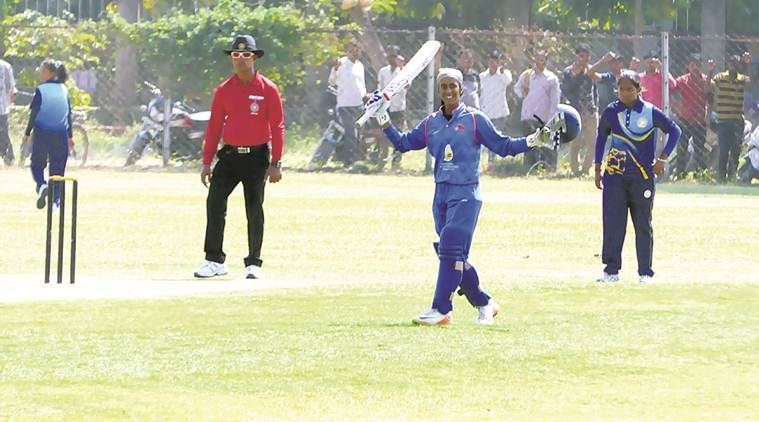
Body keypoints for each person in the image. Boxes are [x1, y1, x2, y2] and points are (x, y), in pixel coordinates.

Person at [369, 68, 552, 325]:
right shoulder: (431, 123)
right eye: (444, 86)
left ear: (461, 89)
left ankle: (441, 309)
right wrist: (382, 117)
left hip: (467, 193)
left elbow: (503, 146)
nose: (449, 91)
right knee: (452, 255)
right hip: (441, 194)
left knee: (451, 248)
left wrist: (534, 140)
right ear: (440, 91)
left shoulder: (475, 119)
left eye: (453, 86)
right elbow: (402, 143)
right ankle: (484, 303)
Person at [194, 35, 284, 280]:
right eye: (235, 55)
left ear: (254, 57)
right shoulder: (224, 90)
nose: (240, 59)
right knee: (214, 202)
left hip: (256, 158)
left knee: (254, 208)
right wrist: (206, 161)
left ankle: (253, 263)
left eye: (245, 55)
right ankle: (214, 260)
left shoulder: (268, 89)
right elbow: (214, 127)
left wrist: (276, 163)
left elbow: (277, 127)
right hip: (230, 156)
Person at [594, 71, 681, 283]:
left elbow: (674, 130)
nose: (624, 93)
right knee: (613, 222)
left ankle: (645, 272)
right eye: (621, 89)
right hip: (615, 177)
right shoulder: (611, 111)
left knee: (643, 223)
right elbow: (601, 138)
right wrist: (598, 168)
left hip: (642, 177)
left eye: (629, 89)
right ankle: (611, 270)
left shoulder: (650, 112)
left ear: (638, 89)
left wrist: (662, 159)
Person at [23, 59, 73, 209]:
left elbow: (34, 114)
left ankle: (42, 185)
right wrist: (70, 136)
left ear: (51, 73)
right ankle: (55, 201)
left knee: (37, 164)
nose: (40, 72)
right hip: (61, 134)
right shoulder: (64, 90)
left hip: (42, 133)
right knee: (58, 169)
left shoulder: (41, 90)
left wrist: (27, 133)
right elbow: (68, 115)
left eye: (43, 70)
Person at [562, 44, 615, 177]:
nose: (583, 59)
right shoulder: (569, 71)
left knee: (593, 143)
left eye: (586, 56)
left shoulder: (591, 69)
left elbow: (597, 76)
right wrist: (603, 60)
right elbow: (567, 88)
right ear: (576, 56)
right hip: (576, 111)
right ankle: (575, 170)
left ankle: (585, 170)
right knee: (575, 142)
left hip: (590, 110)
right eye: (581, 56)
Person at [513, 50, 560, 169]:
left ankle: (548, 169)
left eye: (542, 59)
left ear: (546, 61)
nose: (539, 62)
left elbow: (555, 100)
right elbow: (516, 89)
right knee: (529, 146)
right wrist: (522, 92)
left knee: (546, 147)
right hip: (528, 116)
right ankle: (529, 169)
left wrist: (551, 119)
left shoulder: (552, 78)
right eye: (537, 58)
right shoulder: (527, 75)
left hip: (544, 117)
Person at [671, 54, 713, 178]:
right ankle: (680, 174)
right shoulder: (683, 80)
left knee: (700, 149)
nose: (695, 67)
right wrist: (675, 107)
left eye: (698, 65)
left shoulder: (706, 80)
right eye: (692, 65)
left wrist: (708, 114)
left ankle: (700, 174)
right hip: (685, 119)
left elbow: (710, 98)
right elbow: (671, 89)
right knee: (681, 148)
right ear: (688, 66)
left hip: (700, 120)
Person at [326, 38, 367, 166]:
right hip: (345, 105)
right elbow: (331, 82)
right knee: (351, 133)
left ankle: (357, 158)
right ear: (347, 51)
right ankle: (349, 161)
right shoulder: (341, 63)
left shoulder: (360, 65)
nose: (355, 53)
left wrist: (366, 97)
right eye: (352, 51)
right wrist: (335, 69)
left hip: (359, 104)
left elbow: (362, 85)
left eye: (357, 51)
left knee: (360, 134)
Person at [710, 55, 751, 182]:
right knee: (723, 149)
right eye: (731, 63)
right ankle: (721, 177)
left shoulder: (742, 79)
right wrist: (711, 70)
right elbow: (708, 87)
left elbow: (751, 82)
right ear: (728, 64)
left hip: (738, 120)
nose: (733, 65)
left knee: (736, 150)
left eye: (736, 63)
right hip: (723, 120)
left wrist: (747, 64)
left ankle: (732, 175)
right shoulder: (720, 77)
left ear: (739, 65)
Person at [479, 49, 513, 167]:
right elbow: (481, 94)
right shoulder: (482, 76)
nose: (494, 63)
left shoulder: (505, 74)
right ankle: (489, 161)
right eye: (492, 60)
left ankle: (492, 162)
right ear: (488, 61)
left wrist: (502, 71)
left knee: (496, 136)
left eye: (496, 61)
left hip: (499, 111)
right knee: (486, 137)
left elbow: (508, 81)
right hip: (486, 111)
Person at [377, 45, 407, 169]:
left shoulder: (403, 71)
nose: (391, 58)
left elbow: (407, 86)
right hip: (386, 107)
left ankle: (395, 163)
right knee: (384, 134)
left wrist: (402, 67)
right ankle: (382, 161)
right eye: (389, 56)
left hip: (398, 107)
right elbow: (380, 88)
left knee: (398, 135)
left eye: (394, 56)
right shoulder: (383, 71)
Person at [0, 50, 16, 166]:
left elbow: (11, 88)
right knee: (3, 132)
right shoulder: (6, 66)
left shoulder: (5, 67)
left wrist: (8, 103)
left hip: (2, 106)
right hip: (3, 106)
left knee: (3, 133)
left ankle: (9, 157)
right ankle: (8, 156)